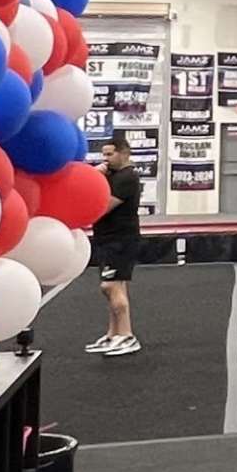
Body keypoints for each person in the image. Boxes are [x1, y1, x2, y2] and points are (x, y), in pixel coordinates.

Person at [85, 132, 145, 357]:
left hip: (120, 239)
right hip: (107, 237)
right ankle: (113, 334)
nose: (106, 159)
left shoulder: (127, 177)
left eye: (110, 154)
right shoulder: (114, 175)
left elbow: (102, 206)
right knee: (115, 288)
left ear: (124, 154)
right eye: (104, 155)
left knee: (110, 286)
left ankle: (127, 335)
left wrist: (96, 179)